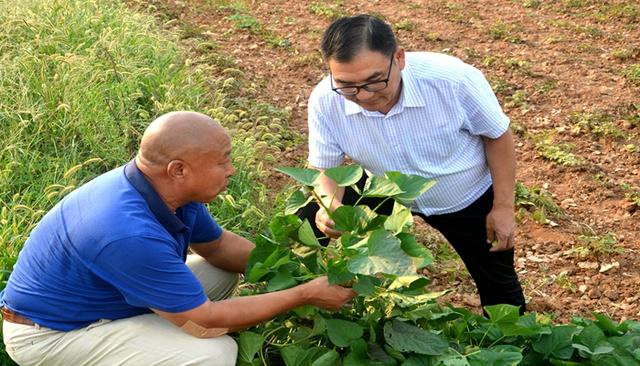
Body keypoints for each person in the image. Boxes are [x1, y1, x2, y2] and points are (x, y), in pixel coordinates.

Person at [1, 111, 356, 366]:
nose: (231, 170)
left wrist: (297, 270)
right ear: (179, 169)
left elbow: (217, 247)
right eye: (222, 162)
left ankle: (160, 333)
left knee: (220, 271)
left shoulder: (163, 191)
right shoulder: (128, 233)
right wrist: (303, 294)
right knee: (214, 354)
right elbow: (208, 317)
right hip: (51, 335)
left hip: (99, 301)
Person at [300, 14, 526, 313]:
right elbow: (326, 168)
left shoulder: (453, 80)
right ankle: (295, 296)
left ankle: (509, 345)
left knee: (497, 282)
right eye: (347, 85)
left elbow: (497, 137)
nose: (364, 95)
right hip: (384, 187)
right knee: (309, 219)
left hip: (462, 195)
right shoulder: (326, 100)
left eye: (375, 80)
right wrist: (330, 206)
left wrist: (503, 207)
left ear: (399, 58)